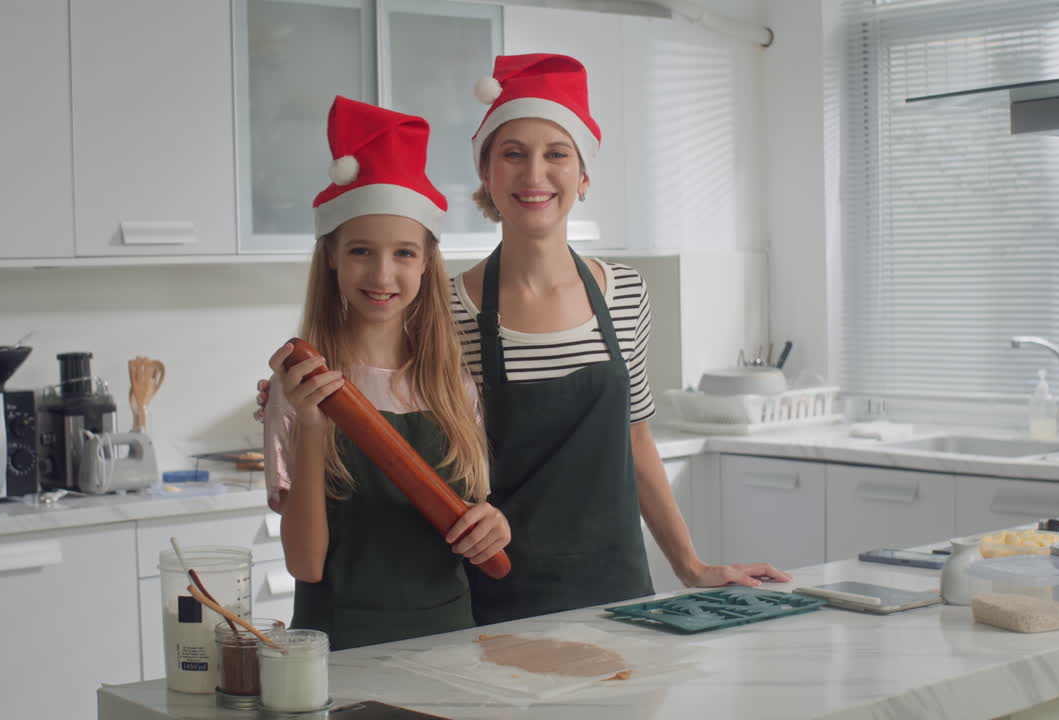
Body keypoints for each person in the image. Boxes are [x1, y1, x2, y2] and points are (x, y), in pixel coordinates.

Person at [259, 55, 790, 625]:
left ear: (584, 176)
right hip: (495, 596)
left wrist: (690, 565)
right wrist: (290, 409)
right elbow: (389, 396)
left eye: (557, 153)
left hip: (618, 589)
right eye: (513, 153)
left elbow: (635, 443)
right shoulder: (446, 318)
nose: (535, 174)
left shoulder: (626, 296)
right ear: (486, 176)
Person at [263, 96, 510, 649]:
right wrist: (309, 424)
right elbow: (304, 563)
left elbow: (473, 517)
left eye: (403, 253)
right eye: (359, 251)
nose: (382, 273)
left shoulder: (452, 385)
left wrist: (494, 523)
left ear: (426, 261)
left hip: (449, 640)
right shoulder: (301, 386)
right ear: (330, 256)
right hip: (342, 649)